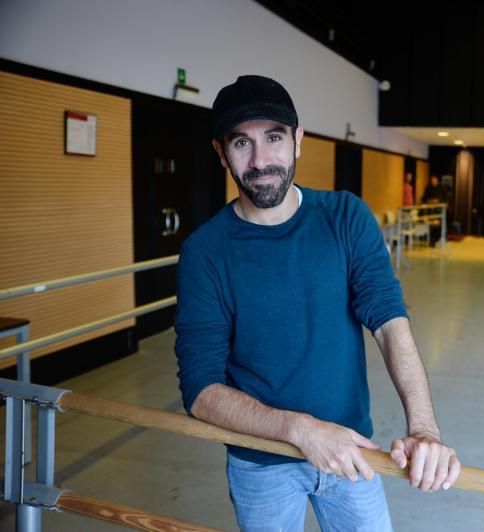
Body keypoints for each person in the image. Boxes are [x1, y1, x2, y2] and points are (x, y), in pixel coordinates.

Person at [174, 75, 460, 531]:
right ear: (220, 152)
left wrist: (424, 429)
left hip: (352, 450)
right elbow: (201, 390)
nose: (261, 160)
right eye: (241, 143)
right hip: (261, 462)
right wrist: (300, 430)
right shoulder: (205, 251)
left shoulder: (345, 217)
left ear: (298, 140)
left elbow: (388, 321)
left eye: (274, 138)